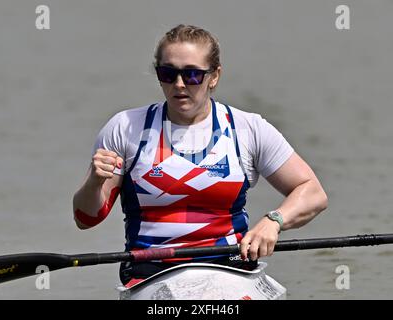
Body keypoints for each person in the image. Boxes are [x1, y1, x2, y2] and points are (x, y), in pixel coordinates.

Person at [73, 24, 328, 287]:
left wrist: (274, 221)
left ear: (214, 76)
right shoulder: (125, 128)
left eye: (192, 74)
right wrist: (94, 181)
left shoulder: (247, 129)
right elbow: (86, 219)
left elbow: (313, 192)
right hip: (150, 273)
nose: (179, 84)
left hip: (231, 268)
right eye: (168, 73)